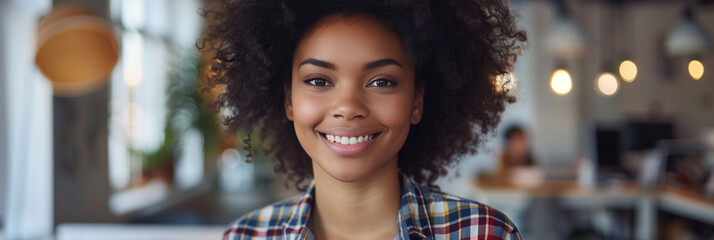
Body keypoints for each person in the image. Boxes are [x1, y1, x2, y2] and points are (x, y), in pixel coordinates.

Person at [200, 0, 526, 239]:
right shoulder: (245, 237)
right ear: (288, 99)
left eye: (381, 81)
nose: (348, 107)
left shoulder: (483, 233)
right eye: (318, 80)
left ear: (417, 100)